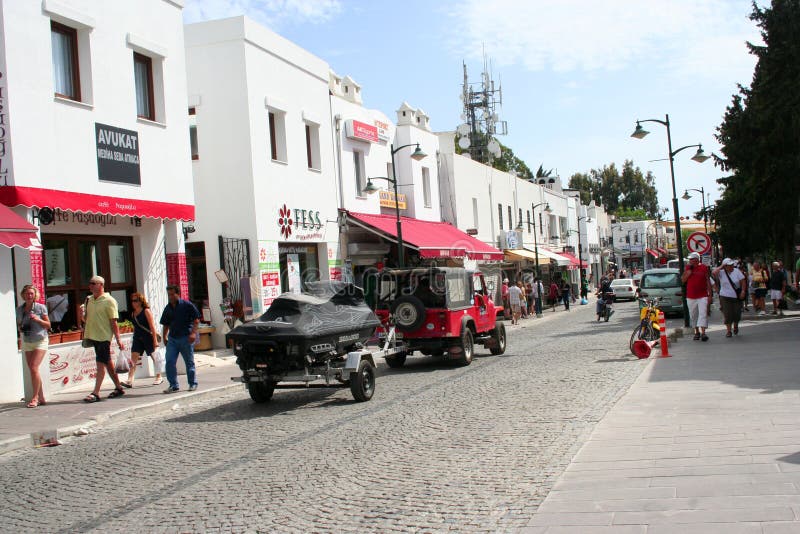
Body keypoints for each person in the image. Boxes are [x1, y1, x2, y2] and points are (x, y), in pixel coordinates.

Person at [82, 276, 126, 402]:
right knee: (107, 362)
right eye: (89, 283)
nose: (90, 286)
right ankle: (118, 387)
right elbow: (87, 319)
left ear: (101, 285)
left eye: (93, 283)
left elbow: (114, 322)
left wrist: (118, 339)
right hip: (93, 336)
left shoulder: (109, 300)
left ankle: (96, 393)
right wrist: (82, 315)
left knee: (100, 364)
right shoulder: (89, 300)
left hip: (104, 337)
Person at [160, 284, 201, 393]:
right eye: (169, 295)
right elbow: (165, 324)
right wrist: (164, 336)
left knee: (189, 362)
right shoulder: (167, 308)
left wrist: (193, 334)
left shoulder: (187, 305)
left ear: (178, 294)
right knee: (169, 361)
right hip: (172, 339)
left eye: (172, 294)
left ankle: (192, 383)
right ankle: (173, 385)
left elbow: (196, 320)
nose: (171, 297)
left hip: (185, 337)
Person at [16, 285, 50, 408]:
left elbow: (48, 325)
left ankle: (34, 398)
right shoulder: (19, 309)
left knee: (33, 366)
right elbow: (19, 324)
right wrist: (20, 328)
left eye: (31, 293)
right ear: (23, 295)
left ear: (35, 295)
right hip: (27, 340)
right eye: (27, 294)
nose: (29, 296)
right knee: (33, 369)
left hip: (40, 340)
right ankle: (41, 397)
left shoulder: (41, 308)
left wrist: (37, 320)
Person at [120, 292, 163, 389]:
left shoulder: (146, 311)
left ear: (140, 301)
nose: (133, 303)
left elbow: (152, 327)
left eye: (135, 300)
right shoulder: (133, 313)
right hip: (138, 338)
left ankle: (159, 376)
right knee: (133, 359)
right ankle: (130, 379)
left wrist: (155, 341)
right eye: (132, 301)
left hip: (148, 337)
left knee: (154, 357)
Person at [681, 252, 712, 342]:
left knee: (703, 313)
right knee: (693, 315)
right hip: (691, 296)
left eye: (692, 259)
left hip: (702, 295)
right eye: (689, 259)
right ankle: (696, 331)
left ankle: (703, 333)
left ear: (697, 259)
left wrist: (710, 294)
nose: (690, 261)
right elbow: (683, 280)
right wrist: (689, 272)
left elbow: (708, 281)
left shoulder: (704, 268)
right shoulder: (688, 268)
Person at [713, 258, 746, 338]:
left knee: (737, 313)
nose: (731, 267)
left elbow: (743, 281)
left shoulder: (736, 271)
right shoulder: (721, 272)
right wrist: (722, 266)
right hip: (725, 296)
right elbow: (714, 273)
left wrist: (743, 291)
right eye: (729, 266)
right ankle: (728, 331)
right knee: (727, 314)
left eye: (732, 265)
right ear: (725, 266)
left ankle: (735, 325)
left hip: (736, 297)